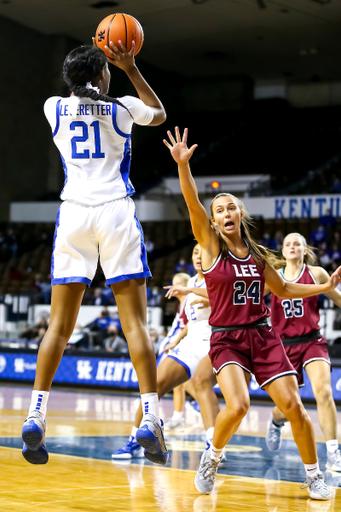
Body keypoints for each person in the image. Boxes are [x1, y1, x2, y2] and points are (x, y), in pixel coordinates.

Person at [163, 127, 341, 500]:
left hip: (263, 335)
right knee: (239, 405)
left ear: (240, 214)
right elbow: (193, 201)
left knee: (293, 405)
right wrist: (183, 166)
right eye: (220, 210)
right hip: (227, 338)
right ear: (213, 222)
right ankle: (212, 456)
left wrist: (324, 288)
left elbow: (285, 289)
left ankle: (314, 477)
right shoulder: (211, 247)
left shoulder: (259, 256)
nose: (226, 212)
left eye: (231, 207)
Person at [21, 40, 168, 465]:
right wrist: (132, 68)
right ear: (103, 75)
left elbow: (78, 94)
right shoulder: (123, 107)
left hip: (74, 217)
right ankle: (151, 419)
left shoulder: (54, 107)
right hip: (115, 213)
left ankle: (37, 413)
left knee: (58, 328)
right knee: (135, 325)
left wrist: (100, 74)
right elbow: (159, 115)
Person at [112, 244, 213, 461]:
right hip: (191, 344)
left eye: (203, 252)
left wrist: (198, 295)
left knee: (202, 387)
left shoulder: (217, 279)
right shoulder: (194, 282)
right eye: (195, 252)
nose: (198, 256)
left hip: (215, 343)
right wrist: (176, 338)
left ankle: (213, 448)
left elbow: (226, 300)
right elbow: (189, 323)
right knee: (153, 385)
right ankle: (135, 441)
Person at [265, 233, 341, 471]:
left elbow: (337, 298)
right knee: (288, 405)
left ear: (305, 249)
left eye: (297, 243)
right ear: (283, 251)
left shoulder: (316, 273)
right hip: (284, 346)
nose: (292, 246)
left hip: (312, 341)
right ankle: (276, 422)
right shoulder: (273, 277)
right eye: (288, 244)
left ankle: (333, 452)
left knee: (324, 391)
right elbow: (247, 300)